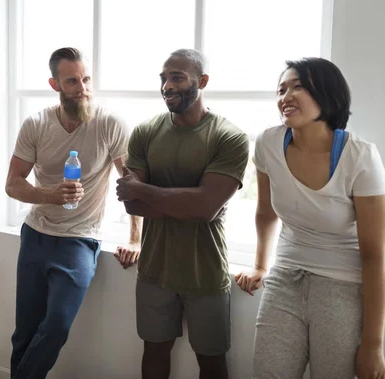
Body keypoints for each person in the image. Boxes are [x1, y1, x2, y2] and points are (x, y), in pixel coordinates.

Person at [235, 57, 385, 378]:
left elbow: (375, 255)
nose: (285, 96)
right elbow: (265, 212)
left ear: (327, 94)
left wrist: (374, 344)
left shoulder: (360, 156)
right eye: (281, 89)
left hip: (342, 288)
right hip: (285, 279)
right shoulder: (268, 143)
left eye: (298, 86)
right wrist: (261, 265)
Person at [5, 47, 142, 379]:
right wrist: (48, 195)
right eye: (72, 81)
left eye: (86, 79)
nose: (82, 88)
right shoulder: (36, 124)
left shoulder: (109, 124)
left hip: (80, 240)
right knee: (25, 330)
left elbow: (132, 185)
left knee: (56, 326)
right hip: (36, 235)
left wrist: (136, 238)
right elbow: (13, 184)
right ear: (55, 84)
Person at [116, 49, 249, 379]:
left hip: (205, 272)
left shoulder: (229, 137)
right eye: (163, 78)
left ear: (202, 81)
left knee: (212, 361)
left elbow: (205, 208)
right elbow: (132, 206)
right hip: (154, 270)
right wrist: (191, 202)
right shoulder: (145, 132)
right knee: (154, 352)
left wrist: (146, 190)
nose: (167, 86)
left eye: (177, 77)